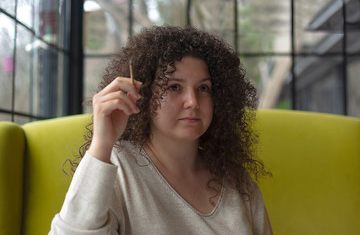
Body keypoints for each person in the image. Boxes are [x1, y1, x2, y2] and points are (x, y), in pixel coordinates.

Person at [49, 26, 273, 234]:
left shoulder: (240, 183)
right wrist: (101, 144)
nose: (192, 102)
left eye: (203, 88)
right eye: (174, 87)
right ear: (142, 95)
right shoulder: (116, 165)